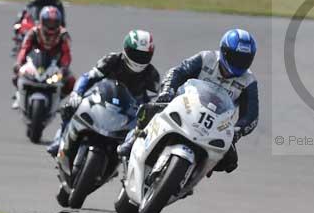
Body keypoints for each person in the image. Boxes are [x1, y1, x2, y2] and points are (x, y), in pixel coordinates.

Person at [116, 28, 259, 175]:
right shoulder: (206, 58)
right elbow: (178, 72)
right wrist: (168, 90)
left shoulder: (248, 81)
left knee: (230, 161)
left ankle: (193, 174)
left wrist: (238, 130)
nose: (240, 63)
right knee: (151, 109)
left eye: (245, 59)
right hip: (186, 107)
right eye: (237, 58)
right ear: (224, 51)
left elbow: (251, 115)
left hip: (215, 124)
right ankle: (133, 139)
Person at [46, 30, 159, 157]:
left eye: (143, 55)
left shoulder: (152, 75)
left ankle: (128, 167)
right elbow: (88, 77)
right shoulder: (112, 60)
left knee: (142, 135)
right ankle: (60, 139)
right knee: (70, 107)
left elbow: (154, 102)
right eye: (135, 54)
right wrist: (77, 93)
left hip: (129, 114)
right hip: (102, 101)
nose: (139, 59)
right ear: (126, 49)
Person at [12, 5, 74, 108]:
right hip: (35, 60)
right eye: (48, 22)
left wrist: (64, 67)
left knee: (71, 82)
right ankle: (19, 96)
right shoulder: (34, 32)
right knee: (16, 75)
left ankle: (58, 100)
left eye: (54, 22)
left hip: (55, 63)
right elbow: (25, 48)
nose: (51, 25)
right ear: (42, 21)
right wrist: (19, 62)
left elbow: (66, 53)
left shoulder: (63, 35)